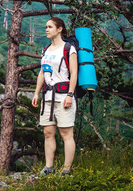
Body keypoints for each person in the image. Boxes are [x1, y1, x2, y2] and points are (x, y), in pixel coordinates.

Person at [32, 17, 78, 177]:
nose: (46, 29)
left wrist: (70, 95)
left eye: (50, 27)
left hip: (63, 97)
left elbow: (74, 73)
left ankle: (66, 170)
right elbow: (42, 73)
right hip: (47, 97)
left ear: (59, 29)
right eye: (46, 26)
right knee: (48, 133)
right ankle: (49, 167)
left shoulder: (68, 49)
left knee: (66, 134)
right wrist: (37, 92)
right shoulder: (45, 50)